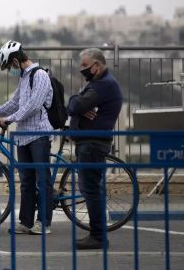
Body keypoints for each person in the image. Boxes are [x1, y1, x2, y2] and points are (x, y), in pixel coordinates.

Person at [0, 40, 54, 235]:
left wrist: (9, 119)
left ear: (15, 61)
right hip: (23, 137)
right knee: (27, 181)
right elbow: (15, 103)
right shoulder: (24, 78)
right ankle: (26, 222)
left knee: (42, 179)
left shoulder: (40, 76)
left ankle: (44, 223)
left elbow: (33, 106)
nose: (9, 71)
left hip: (38, 134)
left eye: (9, 66)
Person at [68, 47, 122, 250]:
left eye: (84, 65)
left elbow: (73, 106)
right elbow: (75, 104)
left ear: (96, 66)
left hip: (92, 144)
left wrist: (77, 106)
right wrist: (77, 105)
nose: (81, 69)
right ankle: (97, 234)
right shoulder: (97, 84)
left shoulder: (103, 86)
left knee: (90, 189)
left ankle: (98, 236)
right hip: (89, 143)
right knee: (90, 188)